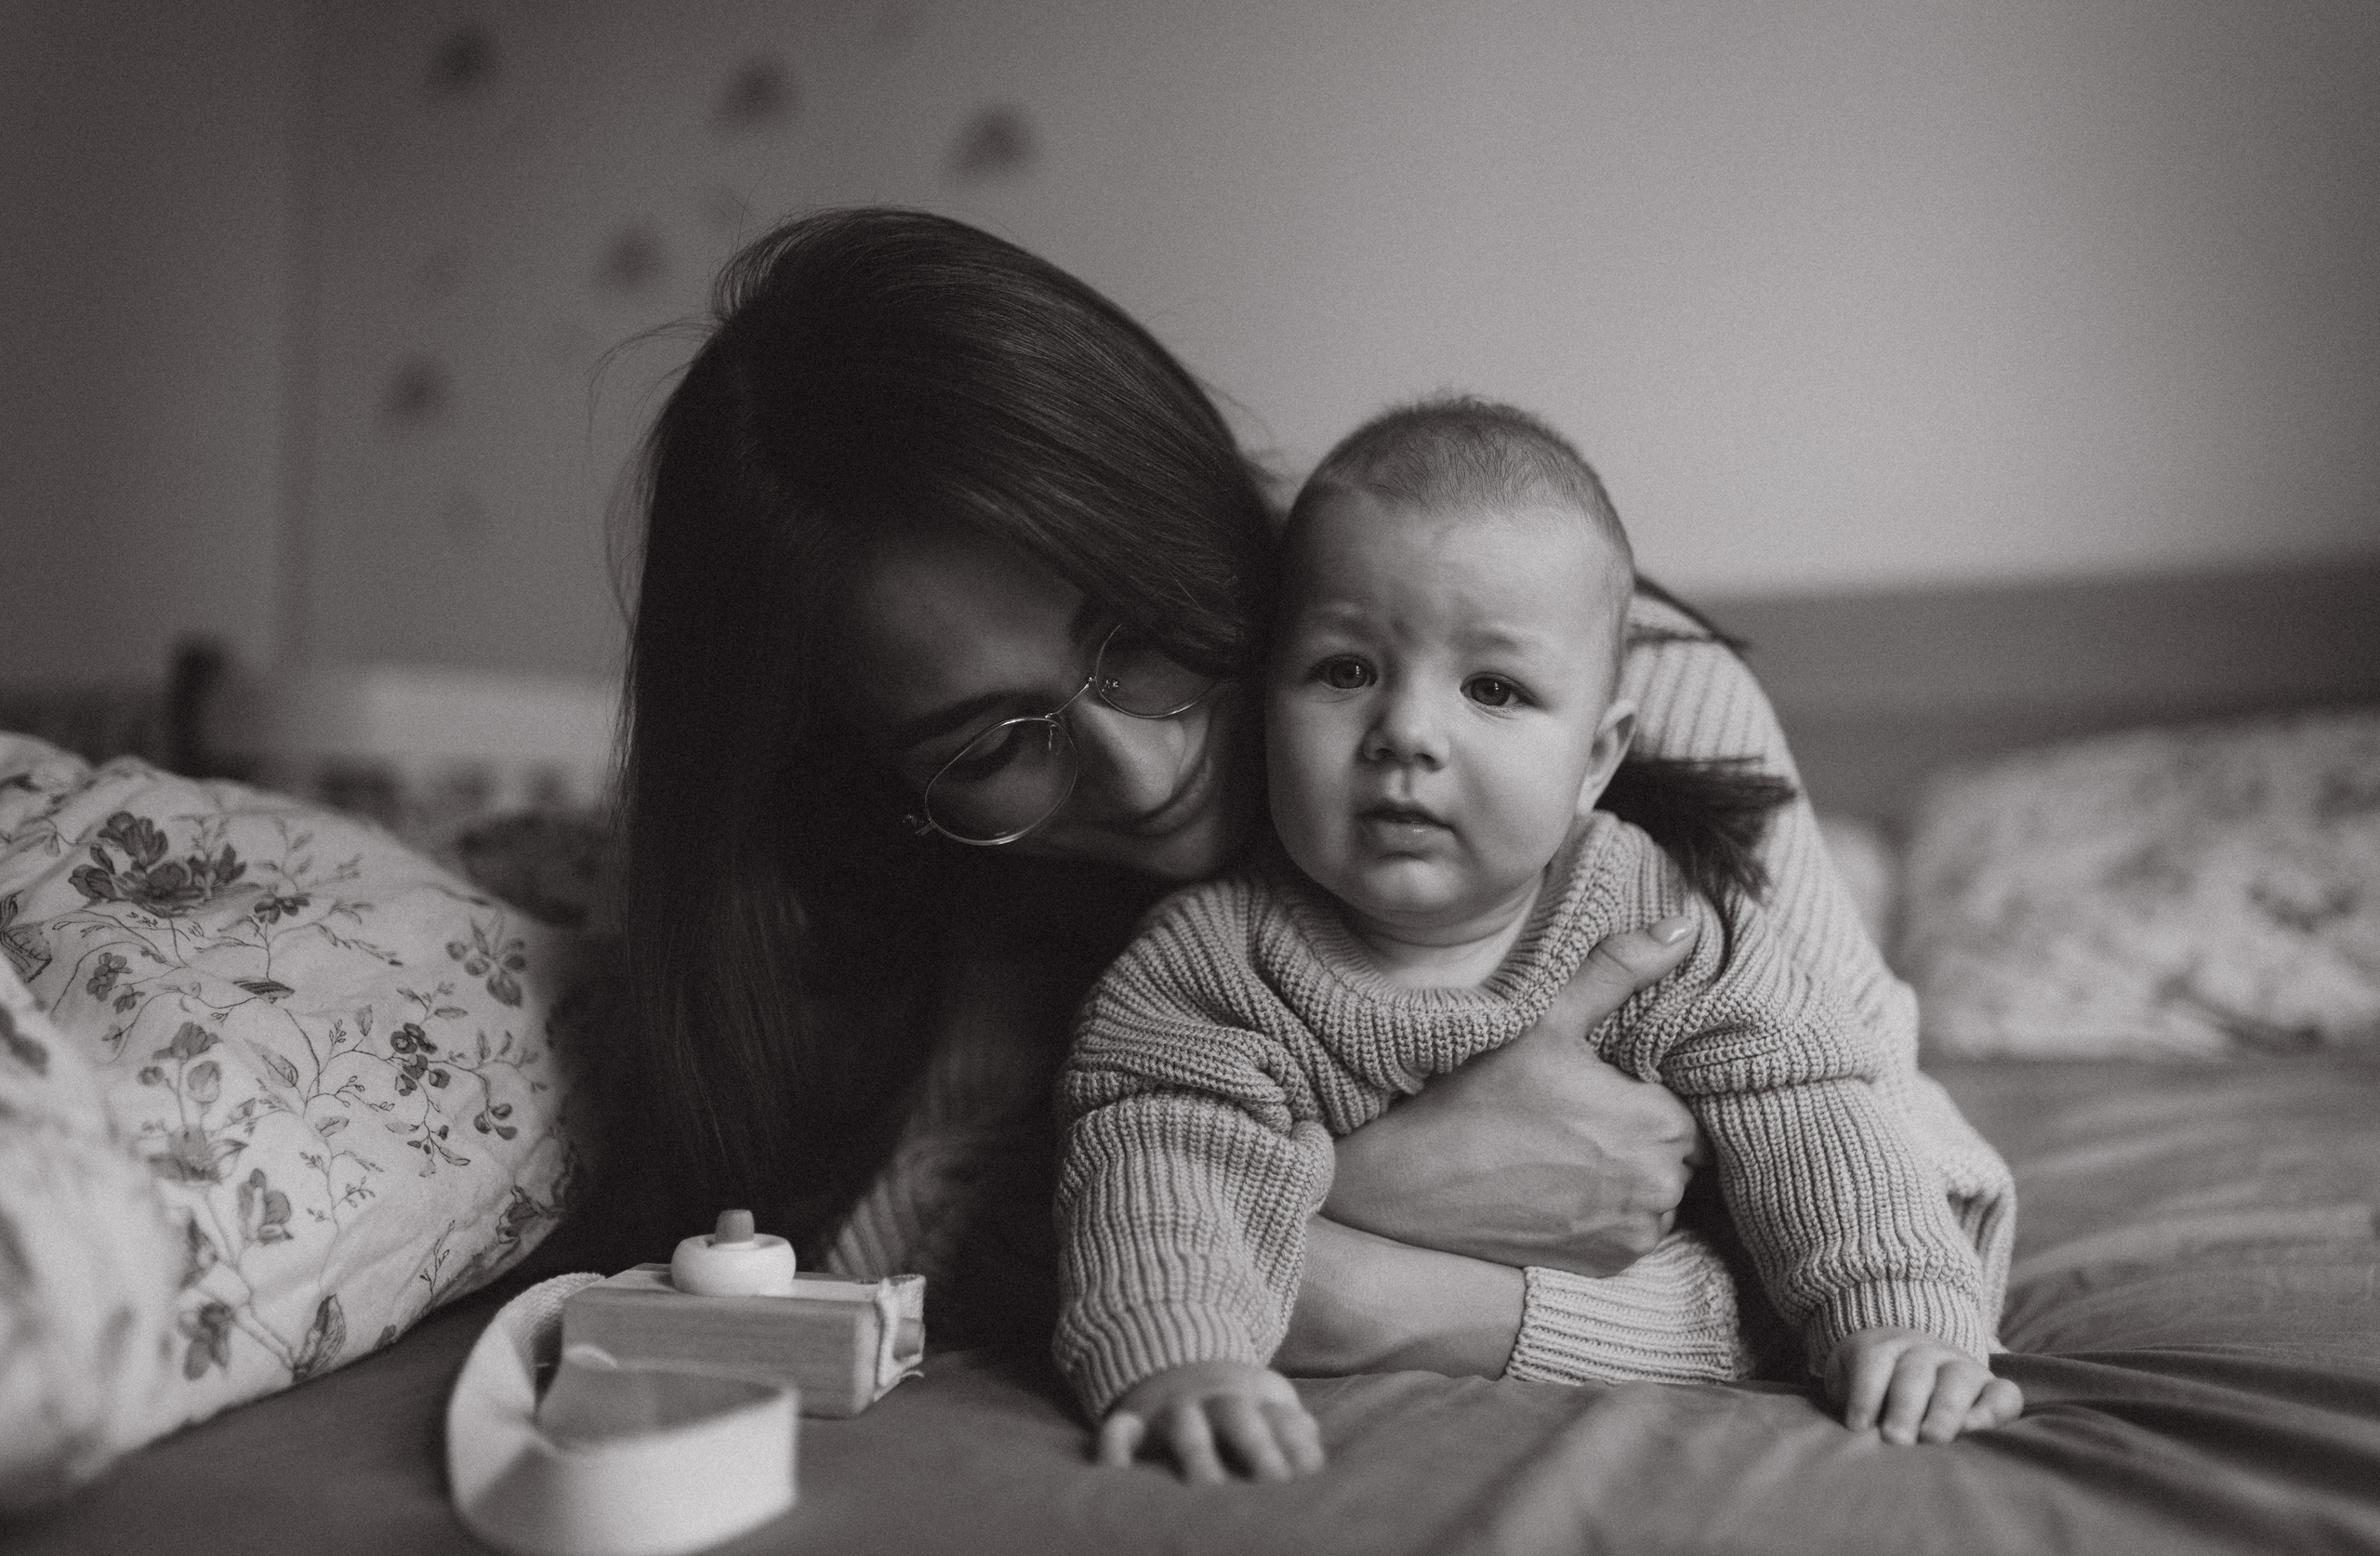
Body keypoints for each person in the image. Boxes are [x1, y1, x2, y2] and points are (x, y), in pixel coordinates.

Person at [590, 206, 2011, 1439]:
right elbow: (876, 1271)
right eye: (989, 741)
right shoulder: (1050, 923)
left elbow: (1912, 1197)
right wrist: (1373, 1221)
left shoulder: (1638, 711)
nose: (1145, 776)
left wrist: (1333, 1262)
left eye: (1146, 635)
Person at [1053, 399, 2022, 1483]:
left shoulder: (1661, 921)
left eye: (1493, 688)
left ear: (1598, 759)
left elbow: (1812, 1113)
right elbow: (1160, 1174)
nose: (1408, 734)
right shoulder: (1207, 970)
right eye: (1343, 670)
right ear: (1260, 702)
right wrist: (1180, 1361)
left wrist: (1893, 1315)